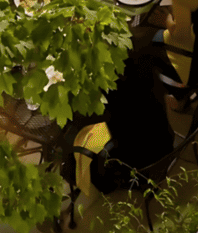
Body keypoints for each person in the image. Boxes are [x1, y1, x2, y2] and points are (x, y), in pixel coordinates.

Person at [72, 49, 175, 198]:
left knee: (82, 142)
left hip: (144, 162)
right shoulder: (142, 57)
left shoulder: (111, 91)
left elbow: (94, 122)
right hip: (165, 141)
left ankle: (93, 185)